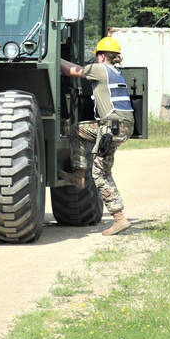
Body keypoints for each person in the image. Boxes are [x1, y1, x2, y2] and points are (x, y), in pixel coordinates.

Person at [58, 36, 135, 236]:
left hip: (111, 128)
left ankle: (119, 218)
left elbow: (69, 70)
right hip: (121, 126)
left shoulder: (100, 69)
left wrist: (53, 56)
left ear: (100, 57)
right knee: (77, 130)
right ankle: (78, 174)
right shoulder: (115, 71)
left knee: (101, 174)